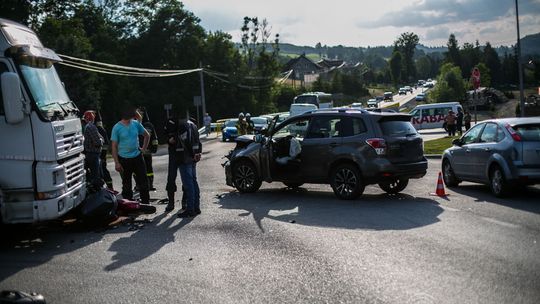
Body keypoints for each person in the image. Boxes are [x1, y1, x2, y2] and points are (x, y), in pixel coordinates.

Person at [111, 107, 151, 204]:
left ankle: (145, 202)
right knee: (126, 184)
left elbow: (147, 135)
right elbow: (114, 147)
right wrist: (116, 163)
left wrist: (144, 149)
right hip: (124, 159)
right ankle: (128, 204)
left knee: (143, 181)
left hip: (137, 157)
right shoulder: (117, 127)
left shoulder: (136, 124)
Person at [174, 117, 202, 217]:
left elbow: (185, 141)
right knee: (194, 181)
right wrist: (198, 153)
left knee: (188, 184)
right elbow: (198, 141)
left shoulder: (182, 125)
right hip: (193, 157)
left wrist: (192, 154)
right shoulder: (193, 125)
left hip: (185, 157)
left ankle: (190, 209)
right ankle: (196, 207)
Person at [136, 108, 159, 190]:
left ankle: (149, 184)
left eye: (140, 113)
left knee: (148, 169)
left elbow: (154, 139)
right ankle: (139, 185)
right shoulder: (134, 124)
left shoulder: (148, 125)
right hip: (138, 151)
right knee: (137, 169)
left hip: (146, 151)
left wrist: (154, 148)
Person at [83, 110, 103, 186]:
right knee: (96, 177)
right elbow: (98, 142)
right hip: (93, 154)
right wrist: (101, 140)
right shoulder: (91, 127)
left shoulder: (88, 126)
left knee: (96, 176)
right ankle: (98, 193)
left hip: (91, 154)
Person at [95, 111, 113, 190]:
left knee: (103, 170)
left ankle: (109, 187)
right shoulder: (100, 129)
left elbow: (105, 145)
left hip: (100, 155)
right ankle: (109, 187)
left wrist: (102, 156)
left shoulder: (98, 129)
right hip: (101, 155)